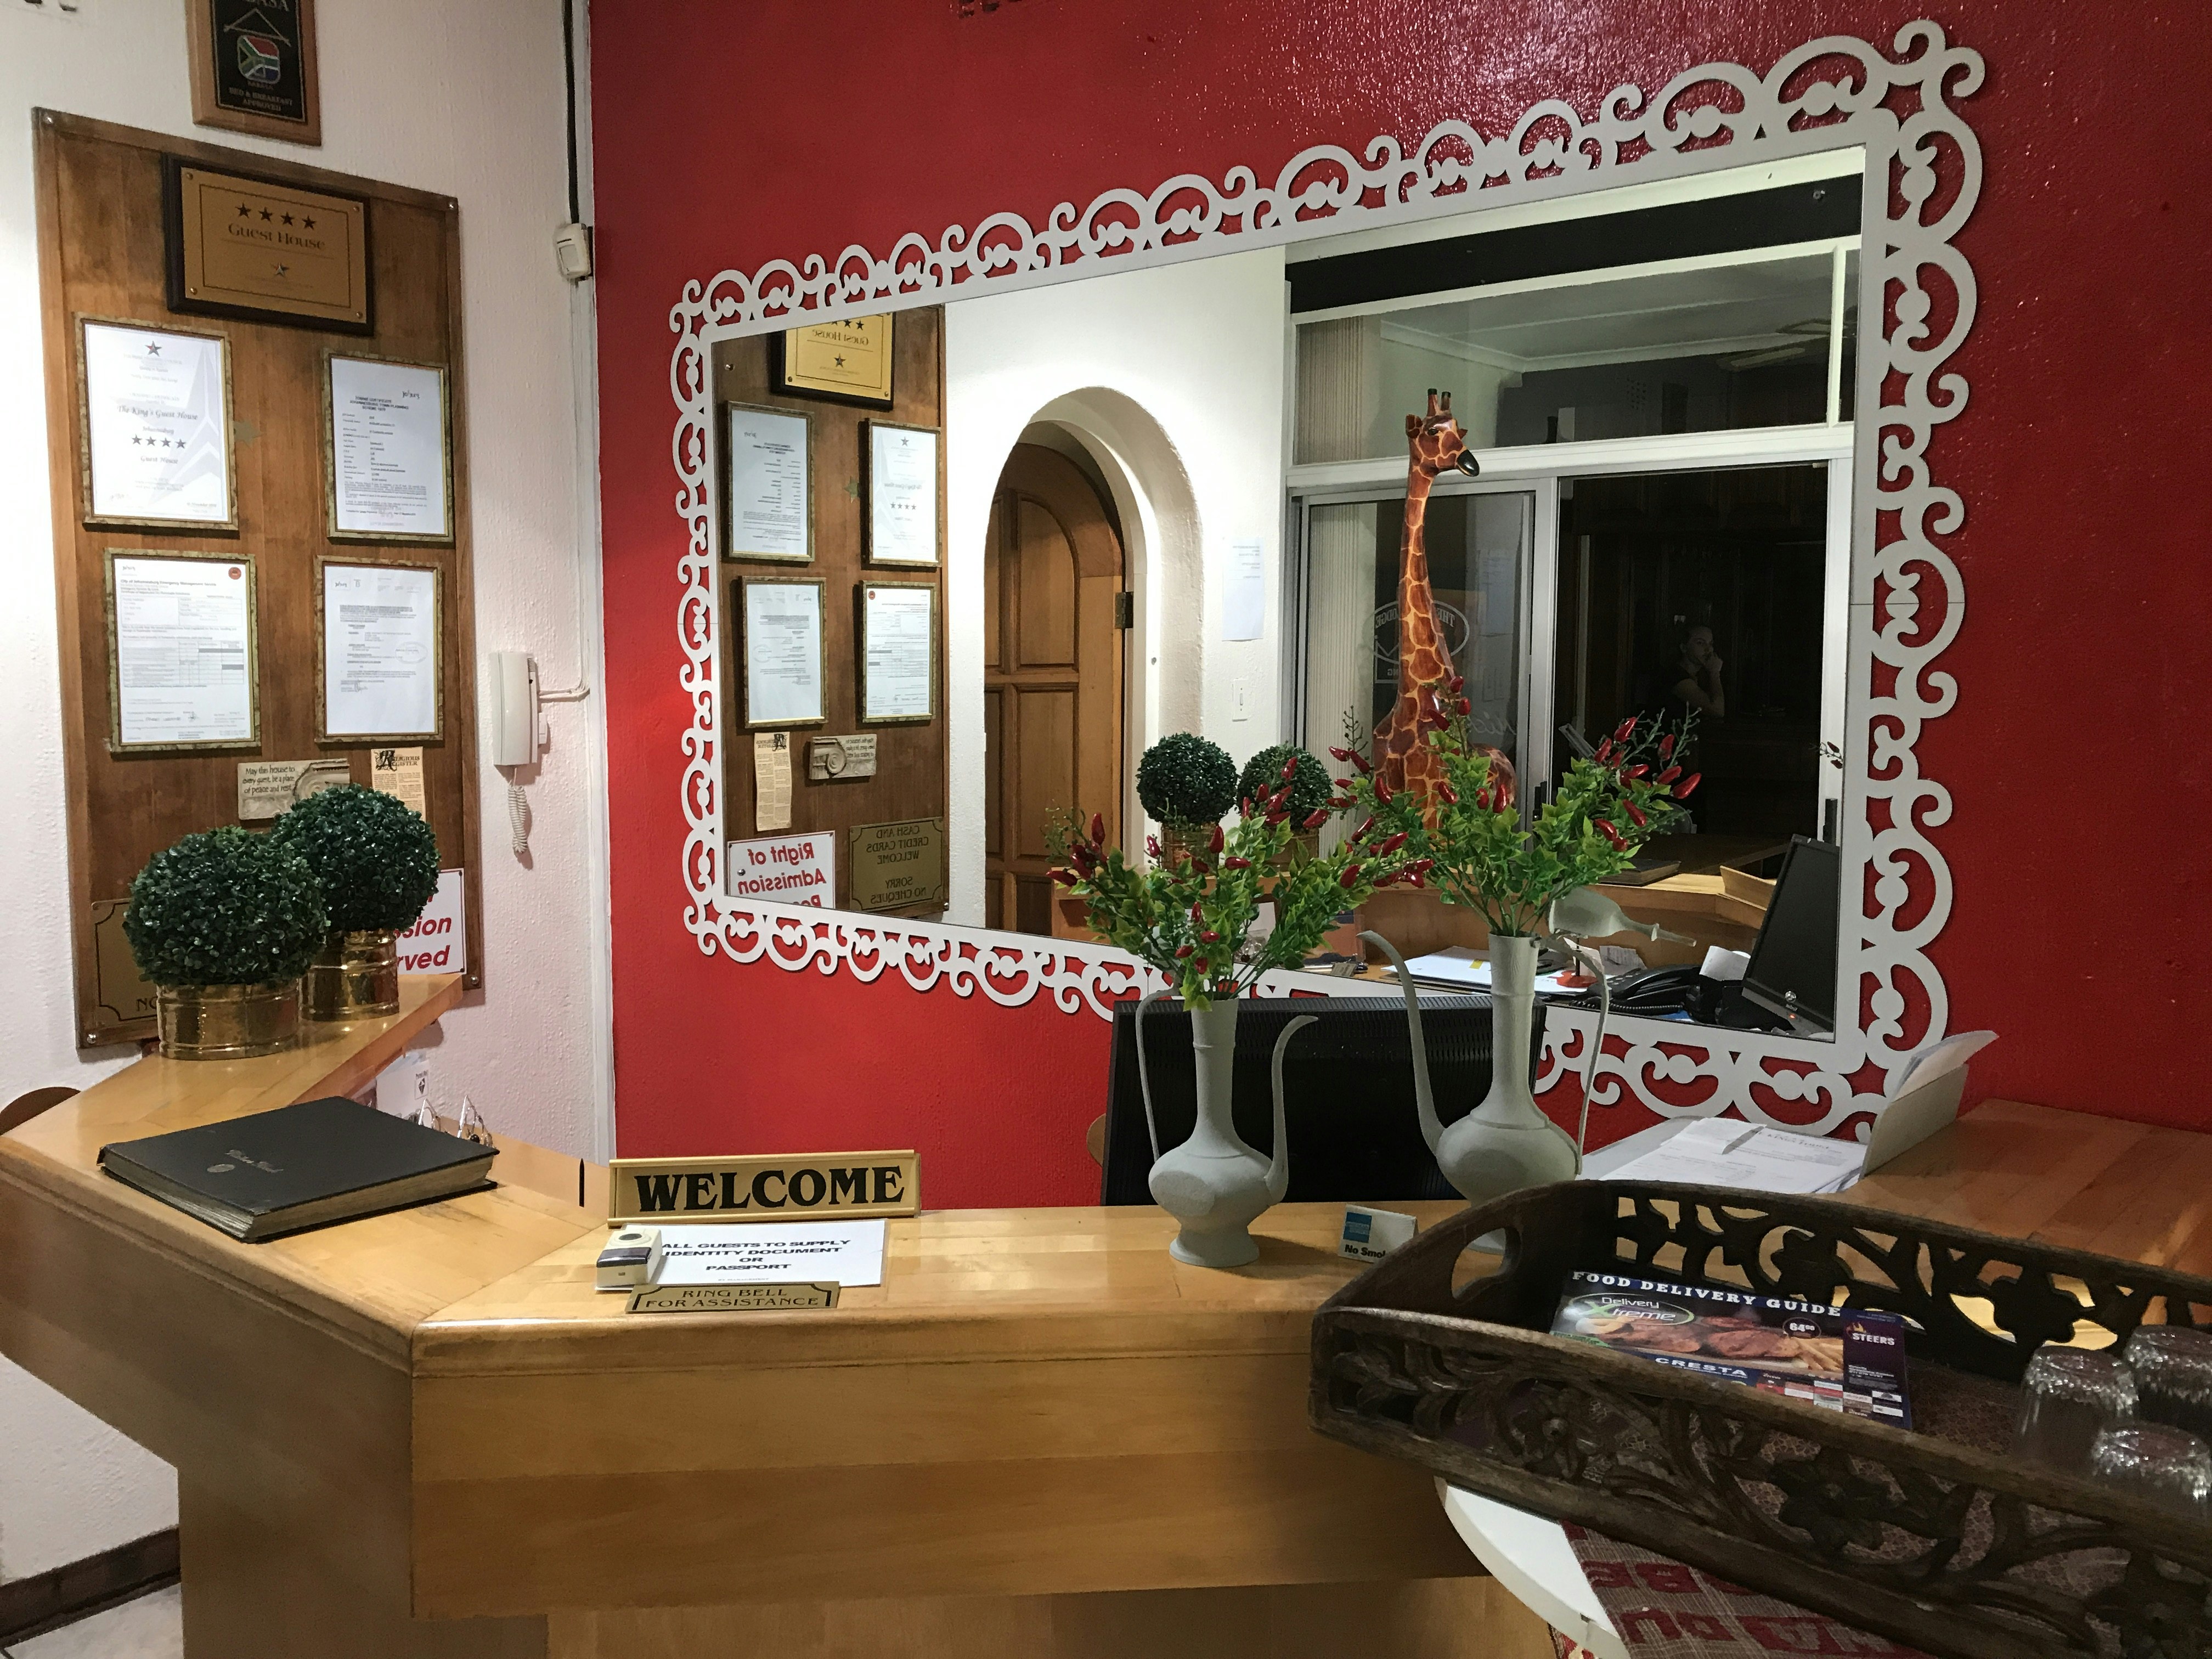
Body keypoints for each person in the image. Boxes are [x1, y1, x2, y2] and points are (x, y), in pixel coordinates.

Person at [1669, 625, 1726, 719]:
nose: (1708, 650)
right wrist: (1715, 673)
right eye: (1700, 643)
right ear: (1684, 647)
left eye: (1711, 644)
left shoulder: (1700, 676)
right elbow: (1717, 711)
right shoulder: (1675, 675)